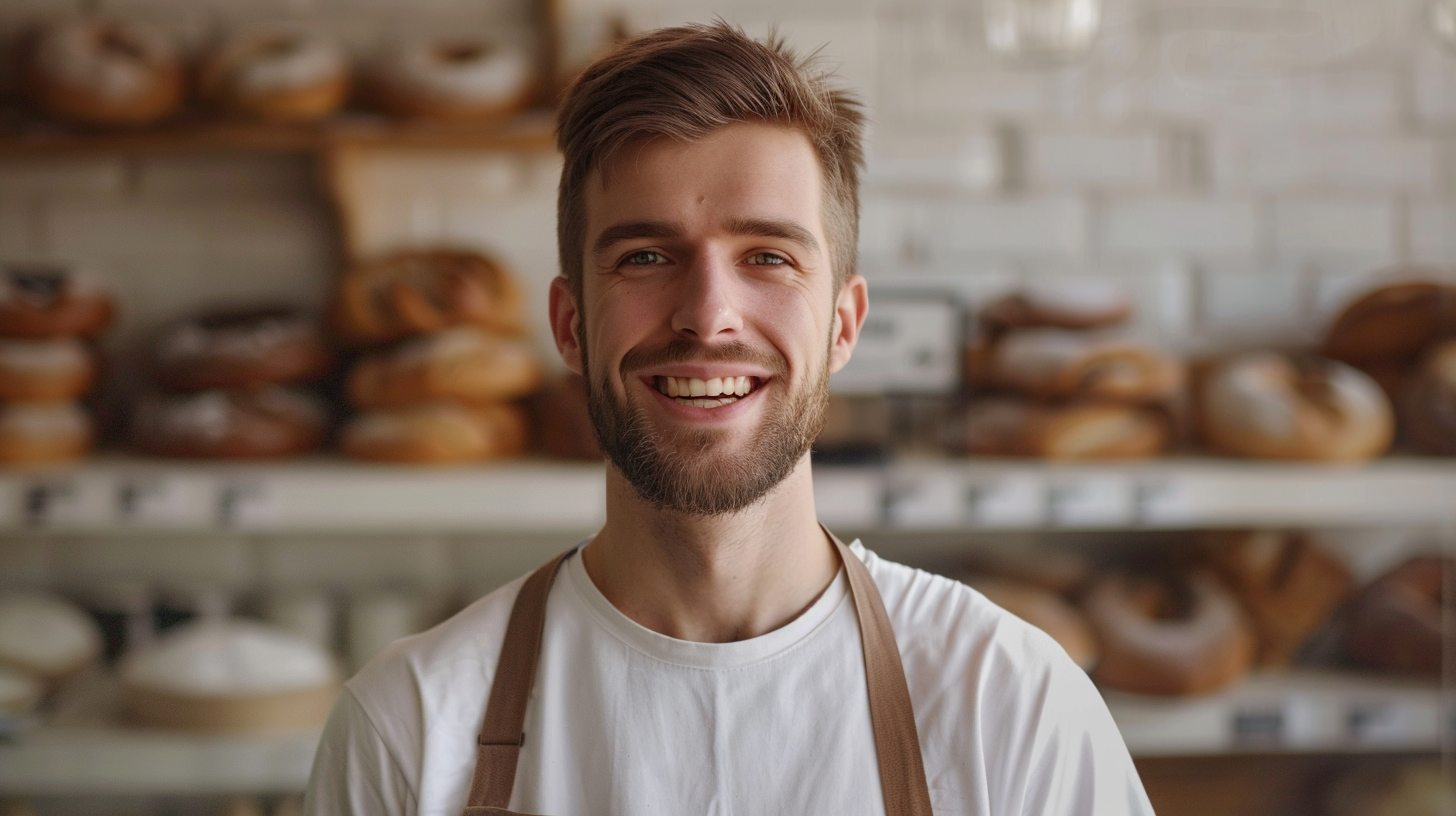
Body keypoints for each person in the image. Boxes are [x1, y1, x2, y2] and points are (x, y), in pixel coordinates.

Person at [304, 22, 1153, 816]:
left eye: (768, 258)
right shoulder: (410, 729)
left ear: (844, 325)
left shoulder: (1010, 704)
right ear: (570, 325)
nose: (708, 317)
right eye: (645, 256)